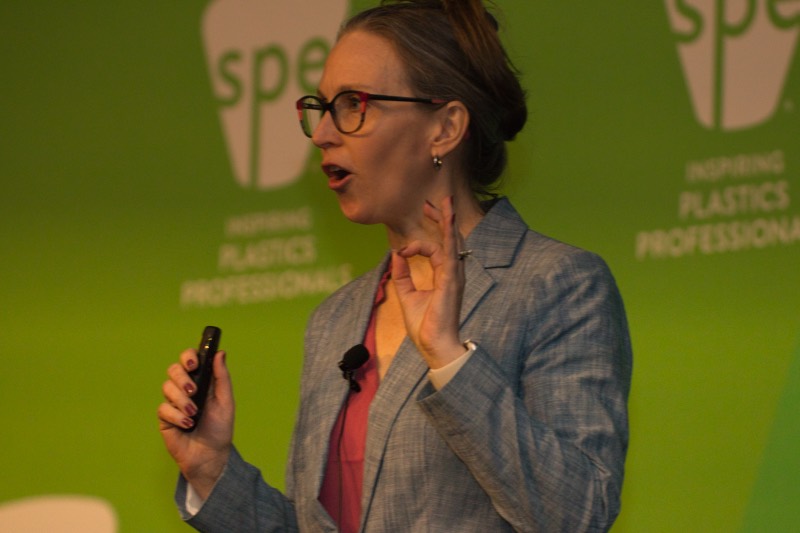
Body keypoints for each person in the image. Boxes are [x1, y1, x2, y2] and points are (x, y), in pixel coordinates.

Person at [158, 0, 633, 531]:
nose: (323, 133)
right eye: (323, 106)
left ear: (445, 128)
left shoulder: (557, 285)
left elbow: (579, 511)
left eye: (354, 104)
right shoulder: (335, 319)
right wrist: (211, 468)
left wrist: (449, 360)